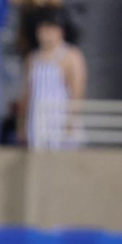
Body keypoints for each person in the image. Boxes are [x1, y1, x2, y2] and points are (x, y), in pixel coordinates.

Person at [18, 14, 86, 150]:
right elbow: (27, 93)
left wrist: (72, 118)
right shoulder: (32, 58)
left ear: (60, 31)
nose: (45, 33)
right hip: (36, 117)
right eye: (42, 29)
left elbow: (77, 91)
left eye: (50, 28)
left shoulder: (71, 56)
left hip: (60, 117)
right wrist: (21, 124)